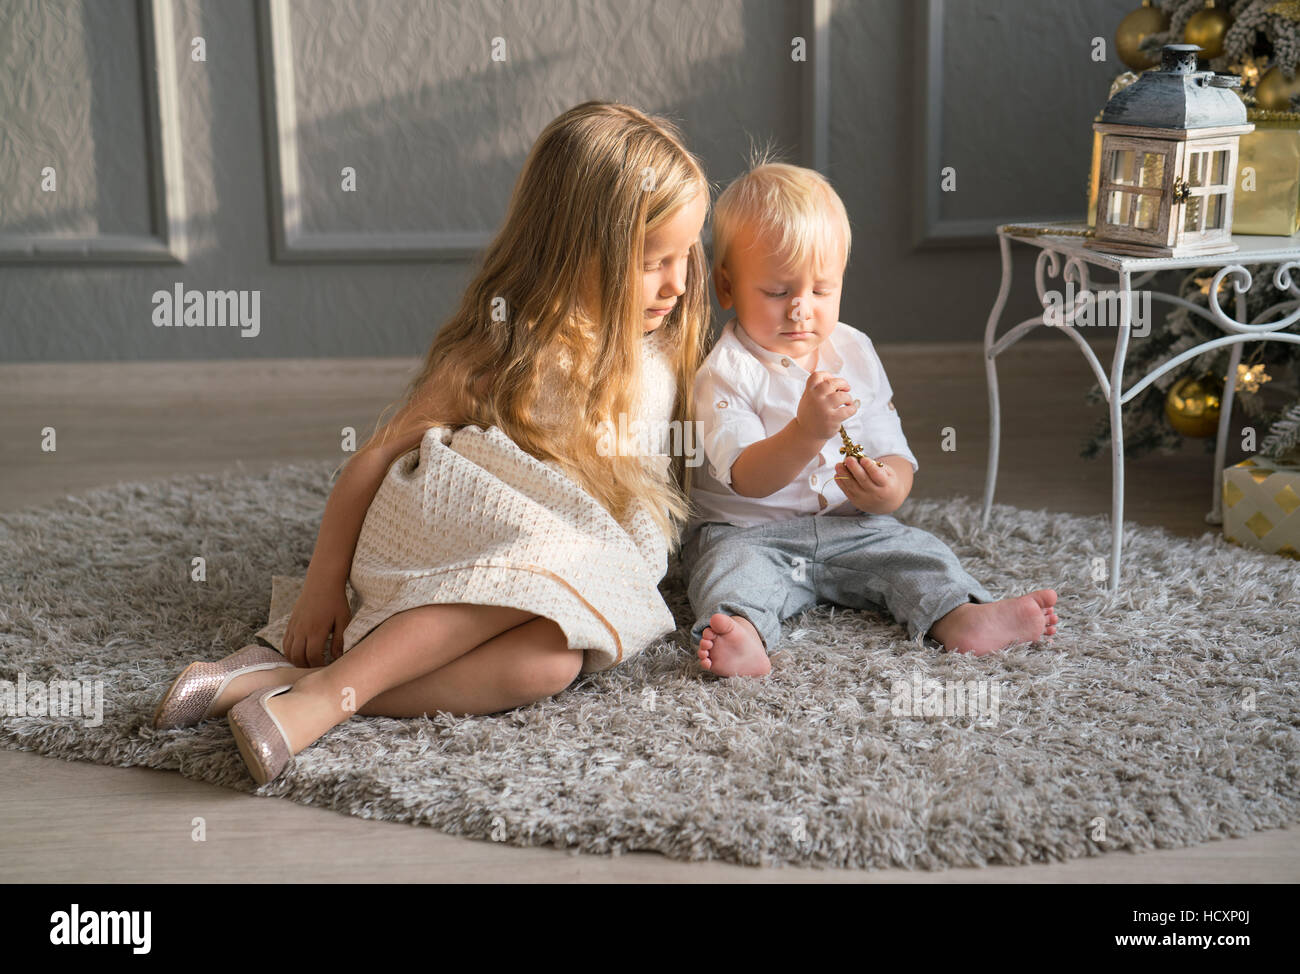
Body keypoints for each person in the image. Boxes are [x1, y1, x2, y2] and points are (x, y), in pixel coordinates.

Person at [152, 102, 711, 783]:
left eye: (687, 256)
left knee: (551, 664)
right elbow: (377, 455)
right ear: (575, 246)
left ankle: (289, 685)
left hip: (565, 570)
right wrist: (322, 586)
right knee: (546, 555)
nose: (679, 285)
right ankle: (320, 701)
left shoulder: (663, 350)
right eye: (654, 261)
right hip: (456, 537)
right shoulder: (509, 347)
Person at [680, 160, 1058, 678]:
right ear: (727, 287)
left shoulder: (854, 351)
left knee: (915, 552)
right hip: (748, 533)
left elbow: (891, 446)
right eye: (776, 292)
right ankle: (743, 633)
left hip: (849, 526)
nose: (800, 309)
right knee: (727, 576)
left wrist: (888, 491)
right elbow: (748, 477)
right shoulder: (724, 373)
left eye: (821, 290)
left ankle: (961, 616)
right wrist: (805, 432)